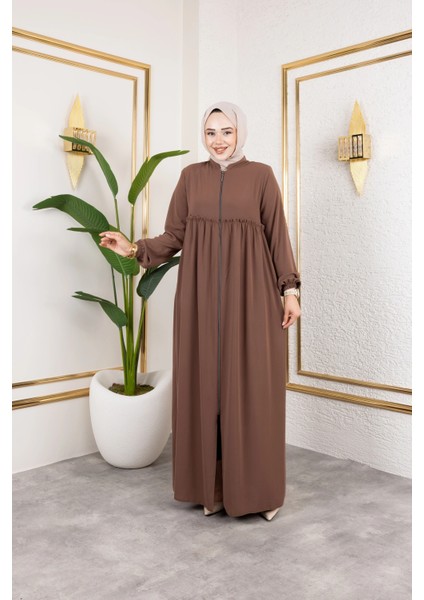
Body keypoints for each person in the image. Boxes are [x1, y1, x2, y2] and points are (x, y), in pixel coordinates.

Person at [99, 101, 301, 521]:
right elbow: (174, 235)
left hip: (252, 298)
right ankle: (212, 488)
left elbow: (277, 237)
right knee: (206, 390)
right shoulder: (191, 177)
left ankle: (262, 494)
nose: (218, 140)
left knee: (252, 392)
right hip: (199, 300)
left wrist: (290, 291)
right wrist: (133, 248)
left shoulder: (261, 176)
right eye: (211, 132)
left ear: (239, 133)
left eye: (226, 131)